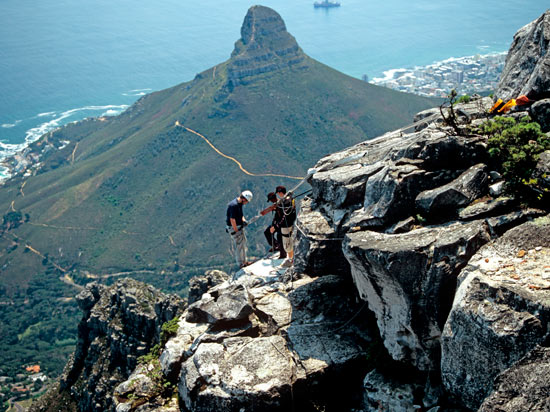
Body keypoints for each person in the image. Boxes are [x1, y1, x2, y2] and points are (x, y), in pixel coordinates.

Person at [226, 190, 253, 268]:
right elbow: (232, 220)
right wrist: (236, 230)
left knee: (242, 243)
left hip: (238, 226)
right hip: (234, 227)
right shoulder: (233, 205)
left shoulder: (239, 204)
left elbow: (240, 215)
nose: (246, 203)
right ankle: (241, 263)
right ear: (244, 199)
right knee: (239, 245)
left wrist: (244, 221)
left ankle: (244, 261)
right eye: (247, 201)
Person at [271, 185, 296, 265]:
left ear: (280, 192)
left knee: (287, 242)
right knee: (289, 240)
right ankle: (290, 258)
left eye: (278, 193)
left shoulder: (286, 202)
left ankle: (290, 260)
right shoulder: (290, 199)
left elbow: (284, 216)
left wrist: (275, 226)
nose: (278, 195)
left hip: (286, 225)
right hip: (290, 223)